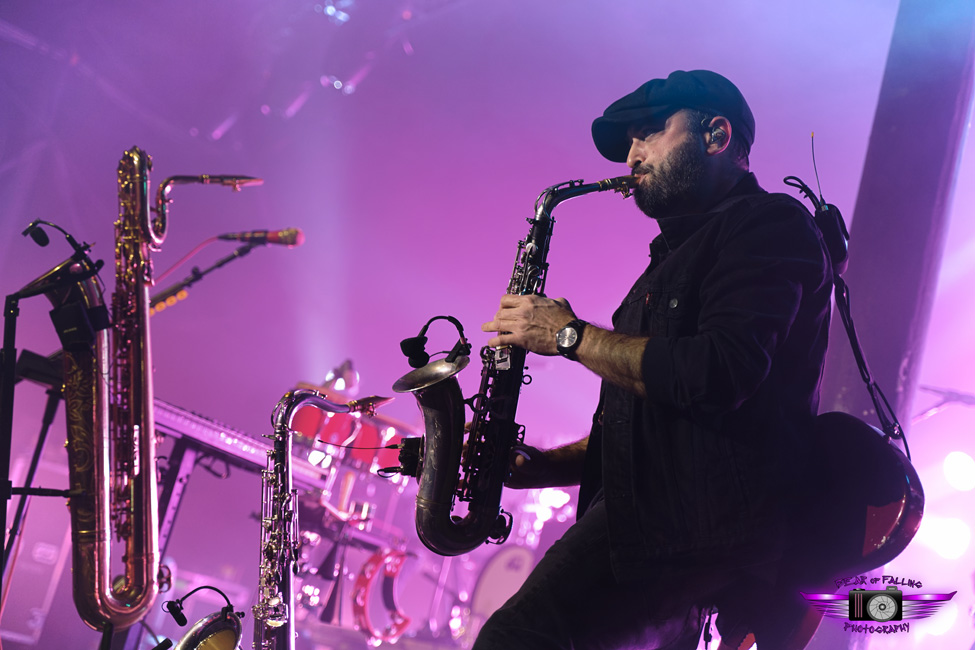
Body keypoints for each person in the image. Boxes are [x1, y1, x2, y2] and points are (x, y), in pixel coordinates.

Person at [475, 70, 834, 649]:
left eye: (648, 133)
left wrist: (569, 336)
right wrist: (546, 466)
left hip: (699, 529)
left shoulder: (769, 225)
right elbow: (659, 422)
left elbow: (718, 373)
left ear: (716, 136)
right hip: (665, 525)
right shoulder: (671, 260)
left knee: (518, 639)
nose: (632, 155)